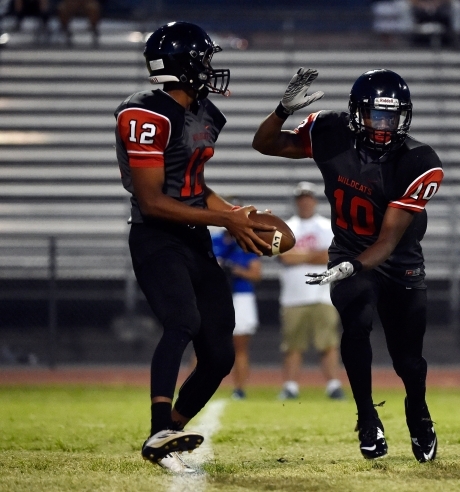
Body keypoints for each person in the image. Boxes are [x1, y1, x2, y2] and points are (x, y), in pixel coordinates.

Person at [253, 68, 443, 462]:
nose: (384, 126)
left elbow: (388, 241)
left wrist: (354, 267)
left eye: (392, 117)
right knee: (356, 322)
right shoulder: (330, 130)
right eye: (376, 115)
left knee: (408, 359)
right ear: (358, 113)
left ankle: (418, 414)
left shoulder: (418, 160)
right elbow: (265, 144)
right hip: (348, 249)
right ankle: (367, 416)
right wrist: (281, 110)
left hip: (397, 260)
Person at [114, 21, 274, 473]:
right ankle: (158, 426)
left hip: (194, 236)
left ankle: (169, 433)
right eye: (203, 60)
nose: (210, 69)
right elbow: (153, 200)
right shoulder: (145, 112)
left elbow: (195, 188)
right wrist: (225, 218)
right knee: (182, 320)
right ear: (184, 65)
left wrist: (236, 213)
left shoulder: (203, 113)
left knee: (220, 354)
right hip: (156, 235)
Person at [277, 181, 344, 401]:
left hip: (322, 294)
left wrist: (300, 254)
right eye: (301, 199)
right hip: (293, 296)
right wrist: (312, 254)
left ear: (314, 201)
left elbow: (330, 256)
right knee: (293, 344)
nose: (305, 202)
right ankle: (291, 386)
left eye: (308, 198)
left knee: (328, 343)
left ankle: (333, 385)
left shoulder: (326, 226)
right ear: (297, 202)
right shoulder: (286, 226)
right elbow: (284, 256)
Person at [211, 224, 262, 400]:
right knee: (203, 344)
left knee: (240, 346)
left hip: (241, 296)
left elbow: (256, 274)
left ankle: (239, 389)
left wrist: (235, 270)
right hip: (215, 294)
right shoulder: (213, 240)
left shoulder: (247, 241)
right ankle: (197, 388)